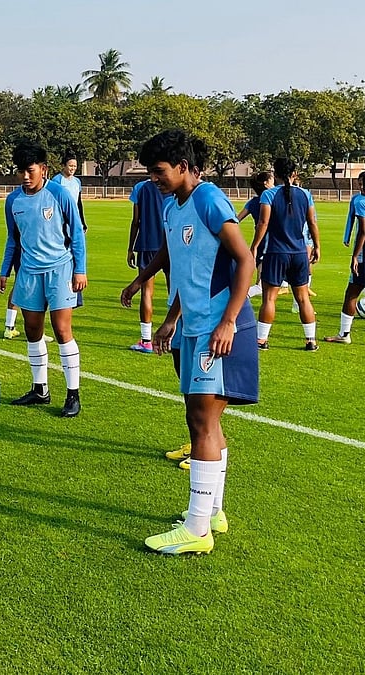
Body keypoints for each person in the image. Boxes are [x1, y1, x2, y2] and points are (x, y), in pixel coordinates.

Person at [121, 130, 257, 555]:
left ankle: (197, 529)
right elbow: (185, 265)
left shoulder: (209, 199)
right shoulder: (171, 205)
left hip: (219, 327)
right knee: (205, 422)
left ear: (184, 167)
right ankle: (211, 512)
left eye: (159, 171)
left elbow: (245, 259)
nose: (154, 179)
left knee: (201, 421)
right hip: (193, 325)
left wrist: (229, 322)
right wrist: (168, 318)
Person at [0, 142, 87, 417]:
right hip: (29, 272)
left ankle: (73, 394)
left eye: (30, 170)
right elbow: (13, 239)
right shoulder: (13, 201)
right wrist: (5, 271)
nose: (25, 176)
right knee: (32, 330)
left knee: (61, 330)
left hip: (61, 269)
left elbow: (77, 233)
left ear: (43, 169)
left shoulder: (59, 194)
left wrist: (80, 269)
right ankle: (40, 389)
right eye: (21, 171)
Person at [250, 158, 320, 351]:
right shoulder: (305, 194)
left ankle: (262, 340)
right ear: (294, 173)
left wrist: (254, 246)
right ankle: (311, 341)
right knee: (303, 298)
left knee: (269, 298)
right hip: (299, 252)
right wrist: (317, 246)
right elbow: (312, 223)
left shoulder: (269, 194)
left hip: (276, 252)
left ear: (276, 174)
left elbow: (263, 223)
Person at [126, 177, 169, 353]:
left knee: (146, 292)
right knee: (174, 292)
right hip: (169, 243)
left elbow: (136, 220)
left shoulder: (140, 187)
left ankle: (146, 340)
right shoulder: (172, 184)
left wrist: (130, 248)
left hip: (147, 244)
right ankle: (174, 337)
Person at [323, 171, 365, 343]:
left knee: (351, 293)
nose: (361, 187)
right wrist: (347, 236)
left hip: (363, 257)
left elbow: (363, 231)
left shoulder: (361, 201)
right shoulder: (357, 199)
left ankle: (344, 334)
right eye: (360, 183)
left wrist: (355, 256)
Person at [236, 171, 275, 299]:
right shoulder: (272, 199)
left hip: (262, 242)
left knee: (269, 285)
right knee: (261, 286)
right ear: (266, 183)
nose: (274, 182)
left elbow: (237, 219)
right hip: (269, 243)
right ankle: (239, 298)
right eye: (271, 179)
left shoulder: (252, 202)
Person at [50, 152, 87, 231]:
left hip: (74, 218)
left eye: (75, 166)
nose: (73, 168)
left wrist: (82, 222)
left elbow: (79, 203)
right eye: (70, 166)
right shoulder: (57, 180)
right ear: (64, 166)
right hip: (60, 220)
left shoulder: (77, 181)